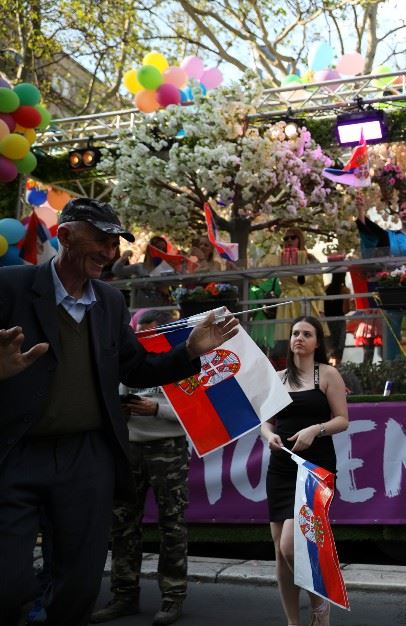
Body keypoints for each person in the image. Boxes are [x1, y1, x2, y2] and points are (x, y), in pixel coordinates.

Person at [0, 197, 238, 626]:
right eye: (102, 241)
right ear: (66, 236)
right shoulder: (11, 286)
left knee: (80, 585)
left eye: (115, 244)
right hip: (17, 453)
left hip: (87, 457)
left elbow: (136, 366)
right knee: (8, 584)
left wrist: (189, 351)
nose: (110, 253)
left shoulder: (110, 301)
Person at [91, 310, 191, 626]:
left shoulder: (180, 360)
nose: (146, 337)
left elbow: (195, 414)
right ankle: (123, 596)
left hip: (169, 448)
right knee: (123, 523)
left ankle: (172, 597)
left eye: (153, 332)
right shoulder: (124, 355)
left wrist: (156, 408)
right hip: (129, 446)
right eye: (141, 332)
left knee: (172, 523)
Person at [261, 316, 349, 626]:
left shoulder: (327, 374)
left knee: (291, 544)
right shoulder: (279, 377)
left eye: (307, 333)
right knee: (279, 551)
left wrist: (316, 429)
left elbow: (342, 419)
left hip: (315, 470)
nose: (299, 337)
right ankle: (292, 622)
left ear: (317, 342)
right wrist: (268, 435)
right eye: (295, 332)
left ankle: (319, 605)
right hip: (281, 467)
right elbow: (267, 422)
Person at [355, 197, 406, 361]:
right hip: (393, 289)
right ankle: (393, 371)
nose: (404, 212)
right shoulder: (389, 236)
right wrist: (360, 209)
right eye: (402, 209)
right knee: (392, 334)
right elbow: (368, 233)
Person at [273, 227, 325, 366]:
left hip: (309, 303)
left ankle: (313, 375)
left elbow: (319, 287)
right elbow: (260, 276)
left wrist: (321, 309)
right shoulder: (279, 260)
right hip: (287, 304)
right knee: (286, 342)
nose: (288, 241)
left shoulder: (312, 260)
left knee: (312, 341)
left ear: (300, 239)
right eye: (285, 238)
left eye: (292, 237)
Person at [111, 235, 175, 308]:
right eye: (157, 248)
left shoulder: (166, 268)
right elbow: (116, 270)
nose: (160, 251)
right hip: (140, 308)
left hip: (161, 308)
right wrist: (124, 258)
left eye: (163, 249)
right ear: (150, 249)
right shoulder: (139, 267)